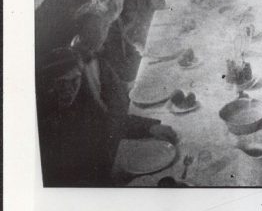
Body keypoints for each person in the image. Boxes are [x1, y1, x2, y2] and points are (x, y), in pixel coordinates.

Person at [38, 47, 177, 186]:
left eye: (74, 80)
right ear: (49, 83)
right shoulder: (42, 121)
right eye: (61, 83)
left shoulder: (81, 99)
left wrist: (150, 127)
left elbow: (107, 122)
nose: (68, 90)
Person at [105, 0, 165, 83]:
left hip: (148, 35)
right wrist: (134, 44)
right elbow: (116, 30)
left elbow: (161, 5)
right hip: (131, 45)